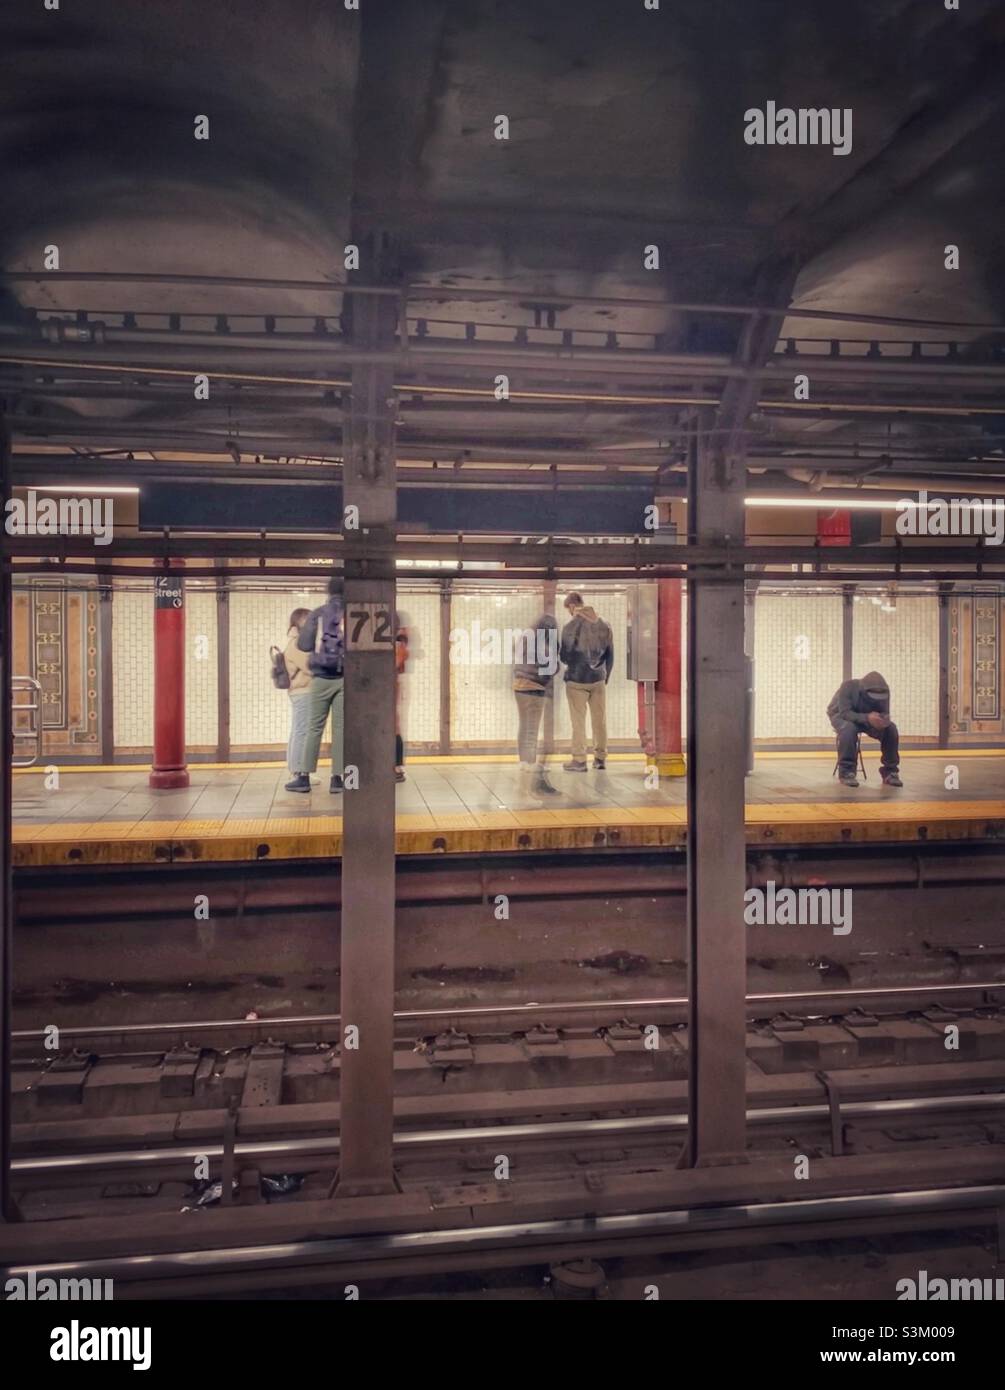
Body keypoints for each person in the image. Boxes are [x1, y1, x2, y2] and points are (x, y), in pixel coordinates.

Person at [286, 577, 345, 794]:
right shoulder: (351, 612)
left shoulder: (318, 613)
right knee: (340, 729)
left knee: (313, 728)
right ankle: (338, 779)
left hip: (320, 679)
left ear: (328, 592)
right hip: (343, 678)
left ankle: (303, 778)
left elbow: (304, 645)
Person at [559, 592, 614, 771]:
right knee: (600, 721)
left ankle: (579, 760)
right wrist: (605, 676)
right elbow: (610, 655)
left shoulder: (569, 627)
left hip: (576, 681)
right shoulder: (605, 624)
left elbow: (565, 657)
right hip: (598, 679)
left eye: (569, 610)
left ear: (572, 606)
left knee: (578, 722)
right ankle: (600, 759)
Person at [827, 669, 902, 788]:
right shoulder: (848, 686)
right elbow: (845, 713)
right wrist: (867, 717)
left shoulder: (885, 690)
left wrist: (883, 720)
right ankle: (847, 772)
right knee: (849, 729)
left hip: (867, 717)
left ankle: (890, 772)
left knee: (891, 729)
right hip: (841, 714)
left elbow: (885, 712)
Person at [512, 612, 559, 796]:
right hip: (534, 689)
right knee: (531, 734)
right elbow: (552, 667)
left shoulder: (525, 637)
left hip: (519, 687)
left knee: (524, 730)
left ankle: (523, 772)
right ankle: (526, 788)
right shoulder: (543, 645)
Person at [282, 607, 313, 783]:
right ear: (300, 622)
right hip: (303, 692)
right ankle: (298, 773)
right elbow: (310, 666)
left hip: (302, 692)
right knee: (301, 732)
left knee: (299, 731)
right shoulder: (297, 643)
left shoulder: (298, 641)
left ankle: (298, 771)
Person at [394, 613, 409, 783]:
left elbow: (396, 664)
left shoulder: (398, 645)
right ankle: (396, 765)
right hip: (394, 686)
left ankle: (397, 766)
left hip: (392, 687)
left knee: (394, 727)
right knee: (394, 726)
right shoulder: (401, 643)